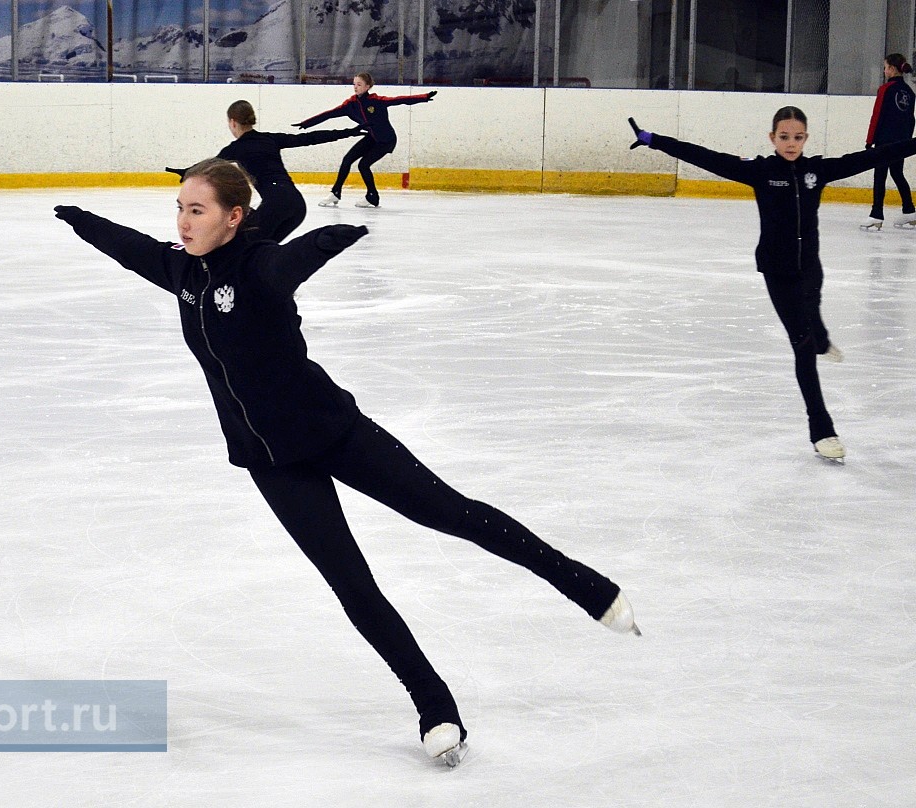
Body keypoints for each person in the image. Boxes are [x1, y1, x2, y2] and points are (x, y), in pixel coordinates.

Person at [53, 158, 640, 768]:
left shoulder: (256, 266)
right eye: (178, 207)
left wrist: (331, 238)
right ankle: (433, 702)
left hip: (332, 431)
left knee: (450, 513)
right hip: (271, 461)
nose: (182, 221)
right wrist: (79, 219)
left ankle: (584, 585)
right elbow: (128, 248)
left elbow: (287, 265)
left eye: (195, 210)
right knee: (351, 583)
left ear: (233, 217)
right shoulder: (181, 271)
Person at [628, 107, 916, 461]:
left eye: (797, 137)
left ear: (806, 138)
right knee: (803, 344)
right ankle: (822, 430)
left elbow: (876, 155)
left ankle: (823, 339)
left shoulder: (817, 171)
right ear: (772, 138)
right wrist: (654, 140)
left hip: (811, 268)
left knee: (814, 321)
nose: (791, 144)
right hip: (778, 272)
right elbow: (704, 157)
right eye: (784, 137)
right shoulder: (761, 171)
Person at [165, 100, 362, 242]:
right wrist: (348, 132)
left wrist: (186, 172)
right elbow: (308, 138)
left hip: (276, 204)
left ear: (233, 122)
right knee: (263, 248)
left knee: (244, 244)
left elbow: (209, 167)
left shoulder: (235, 148)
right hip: (296, 204)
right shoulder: (270, 139)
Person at [293, 73, 436, 209]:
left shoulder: (376, 101)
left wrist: (424, 97)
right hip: (372, 137)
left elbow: (400, 100)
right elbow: (329, 114)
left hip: (386, 140)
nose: (355, 87)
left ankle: (372, 196)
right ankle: (335, 193)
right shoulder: (350, 105)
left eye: (359, 84)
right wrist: (306, 123)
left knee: (363, 165)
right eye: (354, 84)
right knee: (347, 159)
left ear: (368, 86)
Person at [862, 53, 916, 230]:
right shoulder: (910, 92)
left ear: (892, 69)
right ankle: (909, 210)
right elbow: (911, 120)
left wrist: (870, 141)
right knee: (897, 173)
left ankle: (876, 214)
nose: (884, 70)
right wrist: (907, 142)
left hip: (885, 141)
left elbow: (876, 116)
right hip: (901, 143)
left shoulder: (885, 89)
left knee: (880, 175)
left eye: (885, 67)